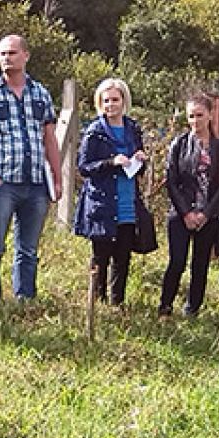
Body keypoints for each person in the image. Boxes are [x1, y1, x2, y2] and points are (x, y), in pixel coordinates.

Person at [0, 34, 63, 304]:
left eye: (11, 53)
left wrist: (57, 178)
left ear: (25, 55)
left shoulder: (40, 93)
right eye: (2, 54)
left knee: (28, 249)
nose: (6, 58)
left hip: (35, 183)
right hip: (2, 183)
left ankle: (25, 300)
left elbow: (50, 139)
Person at [73, 78, 147, 306]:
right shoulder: (94, 132)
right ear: (100, 103)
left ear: (124, 101)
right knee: (101, 257)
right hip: (102, 204)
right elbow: (84, 167)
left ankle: (117, 303)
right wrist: (111, 162)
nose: (111, 105)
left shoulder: (133, 129)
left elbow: (139, 168)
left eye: (115, 99)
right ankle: (97, 302)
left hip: (127, 203)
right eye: (106, 101)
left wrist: (141, 161)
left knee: (123, 258)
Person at [159, 93, 219, 317]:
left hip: (208, 215)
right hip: (180, 213)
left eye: (199, 115)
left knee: (200, 264)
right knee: (177, 261)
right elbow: (171, 180)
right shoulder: (179, 144)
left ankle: (193, 308)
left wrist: (207, 214)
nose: (195, 120)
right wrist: (186, 212)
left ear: (209, 115)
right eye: (191, 116)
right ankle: (165, 306)